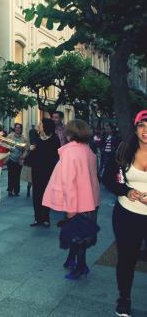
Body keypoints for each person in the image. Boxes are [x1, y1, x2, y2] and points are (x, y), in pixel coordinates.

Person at [42, 119, 100, 280]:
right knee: (79, 233)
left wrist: (70, 209)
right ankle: (71, 260)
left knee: (79, 236)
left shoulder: (70, 152)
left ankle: (81, 267)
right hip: (89, 201)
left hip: (76, 203)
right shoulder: (88, 151)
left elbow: (69, 182)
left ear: (69, 134)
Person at [103, 110, 147, 317]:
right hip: (127, 214)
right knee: (127, 259)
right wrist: (127, 191)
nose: (146, 130)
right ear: (136, 127)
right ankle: (124, 298)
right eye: (142, 125)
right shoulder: (124, 150)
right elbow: (108, 179)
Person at [29, 118, 61, 227]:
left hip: (49, 171)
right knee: (36, 194)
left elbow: (57, 156)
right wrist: (31, 150)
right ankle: (37, 218)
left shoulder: (55, 139)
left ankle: (46, 218)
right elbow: (33, 155)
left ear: (46, 126)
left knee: (47, 194)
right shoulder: (37, 139)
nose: (39, 125)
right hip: (37, 170)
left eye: (41, 124)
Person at [6, 123, 27, 197]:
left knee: (17, 176)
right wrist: (9, 148)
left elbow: (25, 150)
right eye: (16, 127)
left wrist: (23, 156)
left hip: (19, 160)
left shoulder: (24, 139)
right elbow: (5, 145)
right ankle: (10, 190)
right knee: (11, 175)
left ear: (21, 129)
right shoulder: (10, 136)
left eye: (19, 128)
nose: (17, 129)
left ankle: (16, 191)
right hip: (11, 158)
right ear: (14, 128)